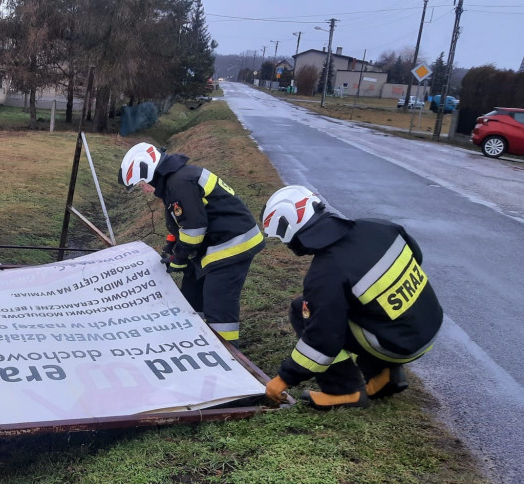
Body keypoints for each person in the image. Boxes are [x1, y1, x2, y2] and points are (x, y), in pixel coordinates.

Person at [260, 185, 443, 409]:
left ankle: (345, 391)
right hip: (429, 324)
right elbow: (417, 255)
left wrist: (283, 379)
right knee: (360, 306)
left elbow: (322, 340)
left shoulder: (326, 273)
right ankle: (384, 374)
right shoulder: (376, 226)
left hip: (399, 345)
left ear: (290, 230)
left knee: (303, 310)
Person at [119, 142, 264, 344]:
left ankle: (229, 354)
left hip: (233, 243)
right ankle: (197, 340)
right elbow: (182, 221)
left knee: (217, 300)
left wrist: (179, 257)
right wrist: (171, 245)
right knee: (191, 292)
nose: (144, 190)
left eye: (141, 184)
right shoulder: (174, 180)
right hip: (215, 241)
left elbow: (194, 229)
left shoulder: (180, 183)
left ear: (150, 173)